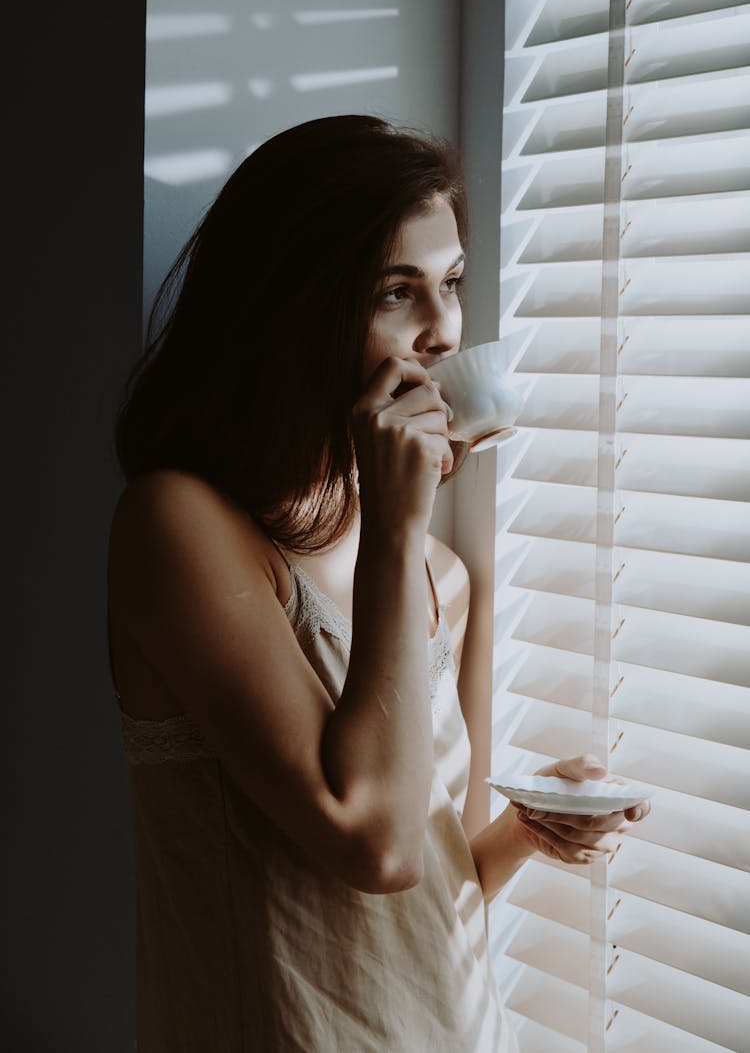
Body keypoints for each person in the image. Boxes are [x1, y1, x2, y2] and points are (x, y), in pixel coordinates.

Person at [108, 114, 649, 1052]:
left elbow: (429, 875)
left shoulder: (442, 577)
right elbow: (376, 846)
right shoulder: (182, 527)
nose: (442, 330)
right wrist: (397, 526)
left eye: (451, 284)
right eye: (397, 292)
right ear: (294, 305)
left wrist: (528, 829)